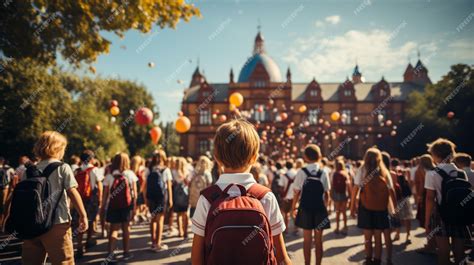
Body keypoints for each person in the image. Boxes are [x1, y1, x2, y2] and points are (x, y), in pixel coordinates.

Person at [191, 119, 291, 265]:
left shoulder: (207, 198)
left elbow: (197, 256)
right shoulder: (266, 197)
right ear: (255, 158)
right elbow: (282, 257)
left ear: (217, 158)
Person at [21, 131, 88, 264]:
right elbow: (72, 192)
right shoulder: (63, 167)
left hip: (31, 225)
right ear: (58, 149)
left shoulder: (28, 171)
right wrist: (83, 215)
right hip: (57, 223)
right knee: (63, 261)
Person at [424, 138, 470, 265]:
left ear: (436, 154)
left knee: (443, 252)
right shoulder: (460, 173)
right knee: (460, 252)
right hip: (460, 213)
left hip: (441, 214)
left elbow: (429, 199)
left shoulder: (432, 173)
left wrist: (427, 222)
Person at [350, 147, 397, 265]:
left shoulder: (362, 170)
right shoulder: (384, 171)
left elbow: (355, 189)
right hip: (381, 208)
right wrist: (395, 208)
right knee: (378, 237)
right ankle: (377, 260)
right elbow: (391, 190)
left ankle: (368, 258)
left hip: (365, 206)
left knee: (367, 237)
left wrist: (352, 207)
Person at [292, 144, 331, 265]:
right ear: (319, 156)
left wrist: (293, 207)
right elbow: (327, 193)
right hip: (319, 209)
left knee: (307, 240)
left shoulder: (301, 172)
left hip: (305, 209)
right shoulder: (323, 172)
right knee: (319, 241)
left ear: (306, 157)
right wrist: (327, 207)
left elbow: (296, 192)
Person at [102, 152, 138, 262]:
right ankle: (126, 252)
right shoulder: (130, 174)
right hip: (126, 206)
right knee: (126, 228)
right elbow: (135, 194)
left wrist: (103, 207)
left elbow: (105, 195)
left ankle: (110, 254)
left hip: (113, 206)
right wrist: (134, 208)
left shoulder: (109, 176)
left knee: (114, 229)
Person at [73, 150, 104, 259]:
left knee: (80, 221)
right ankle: (89, 240)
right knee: (91, 219)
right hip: (92, 199)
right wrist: (100, 199)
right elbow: (99, 185)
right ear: (91, 159)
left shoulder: (76, 171)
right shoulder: (95, 170)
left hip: (79, 199)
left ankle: (79, 246)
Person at [143, 150, 173, 252]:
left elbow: (145, 186)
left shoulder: (149, 169)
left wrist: (145, 198)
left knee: (153, 219)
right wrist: (170, 200)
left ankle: (153, 242)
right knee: (160, 220)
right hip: (161, 197)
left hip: (151, 197)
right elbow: (168, 186)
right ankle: (158, 243)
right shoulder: (166, 170)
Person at [414, 154, 437, 255]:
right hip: (436, 196)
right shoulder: (436, 169)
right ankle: (434, 243)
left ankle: (430, 244)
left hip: (426, 195)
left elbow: (419, 184)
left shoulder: (420, 170)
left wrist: (419, 197)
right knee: (435, 221)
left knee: (427, 220)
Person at [331, 158, 351, 235]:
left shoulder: (335, 173)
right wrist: (350, 195)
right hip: (344, 194)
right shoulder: (345, 173)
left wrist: (331, 194)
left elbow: (332, 185)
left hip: (336, 194)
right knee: (344, 212)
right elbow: (349, 185)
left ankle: (337, 227)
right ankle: (345, 227)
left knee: (337, 212)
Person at [172, 157, 190, 239]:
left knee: (178, 214)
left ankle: (180, 232)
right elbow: (188, 183)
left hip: (176, 193)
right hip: (185, 194)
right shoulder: (187, 171)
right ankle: (185, 232)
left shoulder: (173, 171)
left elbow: (172, 182)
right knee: (185, 213)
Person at [279, 160, 297, 235]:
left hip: (286, 197)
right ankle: (295, 229)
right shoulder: (297, 174)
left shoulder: (283, 175)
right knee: (295, 213)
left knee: (286, 214)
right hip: (295, 196)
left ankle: (286, 230)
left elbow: (281, 187)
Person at [131, 155, 147, 223]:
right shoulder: (141, 169)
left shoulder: (130, 169)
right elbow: (143, 179)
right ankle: (136, 216)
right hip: (139, 188)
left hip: (132, 188)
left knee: (134, 204)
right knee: (139, 203)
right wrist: (141, 189)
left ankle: (134, 217)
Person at [0, 157, 15, 230]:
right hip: (5, 189)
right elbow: (13, 179)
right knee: (4, 205)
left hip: (4, 188)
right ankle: (2, 225)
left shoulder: (4, 170)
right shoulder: (9, 169)